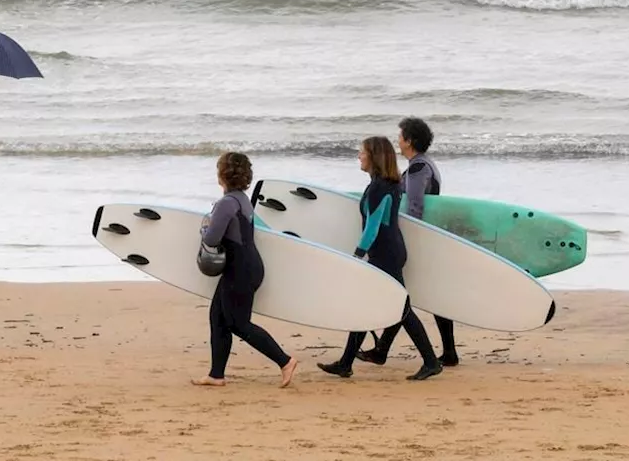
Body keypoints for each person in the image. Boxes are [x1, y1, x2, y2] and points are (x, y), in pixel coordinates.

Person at [318, 136, 442, 381]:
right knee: (370, 305)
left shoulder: (378, 187)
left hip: (384, 254)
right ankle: (347, 362)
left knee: (401, 308)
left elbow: (372, 227)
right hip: (390, 250)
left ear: (373, 157)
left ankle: (430, 361)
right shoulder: (389, 183)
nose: (358, 156)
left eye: (362, 152)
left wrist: (357, 254)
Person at [357, 117, 459, 367]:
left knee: (405, 299)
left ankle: (443, 353)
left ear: (410, 140)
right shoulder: (425, 164)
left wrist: (406, 237)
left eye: (401, 136)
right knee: (411, 296)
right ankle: (444, 352)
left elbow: (414, 207)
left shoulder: (417, 169)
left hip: (416, 239)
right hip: (419, 240)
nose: (398, 141)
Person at [193, 152, 298, 388]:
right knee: (218, 317)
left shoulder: (226, 204)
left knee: (239, 324)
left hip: (239, 269)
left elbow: (211, 239)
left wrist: (204, 228)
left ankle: (285, 361)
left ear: (222, 175)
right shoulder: (242, 199)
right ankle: (216, 374)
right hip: (247, 265)